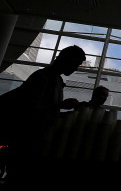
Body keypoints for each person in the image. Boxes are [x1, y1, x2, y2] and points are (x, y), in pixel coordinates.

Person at [2, 45, 86, 189]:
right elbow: (28, 109)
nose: (76, 69)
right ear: (67, 60)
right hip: (25, 138)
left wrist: (64, 109)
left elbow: (45, 111)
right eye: (76, 64)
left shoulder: (53, 79)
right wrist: (60, 106)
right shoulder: (43, 78)